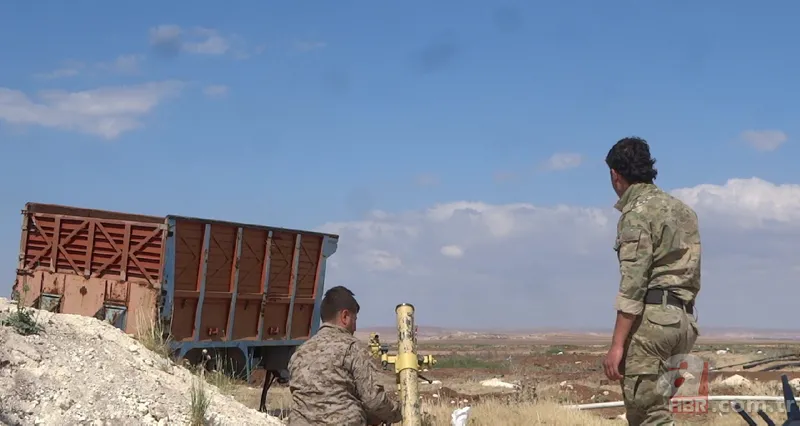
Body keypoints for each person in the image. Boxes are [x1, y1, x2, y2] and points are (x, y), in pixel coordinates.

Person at [601, 137, 701, 426]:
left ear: (615, 174)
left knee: (649, 417)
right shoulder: (683, 210)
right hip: (683, 322)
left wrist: (617, 344)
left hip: (653, 326)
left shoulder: (637, 214)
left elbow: (633, 284)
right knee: (659, 412)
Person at [287, 285, 403, 426]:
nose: (355, 327)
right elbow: (374, 400)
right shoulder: (352, 347)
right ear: (345, 316)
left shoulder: (299, 353)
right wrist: (399, 412)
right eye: (355, 319)